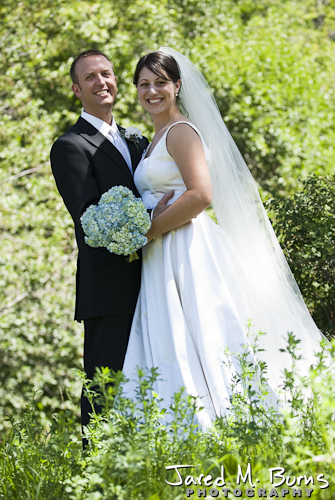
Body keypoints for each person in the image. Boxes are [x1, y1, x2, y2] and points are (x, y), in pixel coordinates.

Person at [122, 48, 326, 429]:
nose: (152, 91)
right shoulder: (156, 137)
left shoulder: (181, 132)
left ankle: (233, 421)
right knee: (175, 338)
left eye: (161, 82)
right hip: (163, 250)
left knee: (208, 332)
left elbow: (201, 195)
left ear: (178, 85)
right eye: (144, 84)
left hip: (184, 246)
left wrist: (147, 229)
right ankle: (187, 421)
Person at [50, 49, 171, 431]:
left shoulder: (136, 139)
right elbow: (92, 220)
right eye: (90, 77)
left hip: (153, 276)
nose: (101, 82)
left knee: (150, 381)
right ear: (76, 89)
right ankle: (93, 471)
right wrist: (154, 218)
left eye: (107, 73)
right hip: (108, 286)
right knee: (105, 388)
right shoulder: (70, 146)